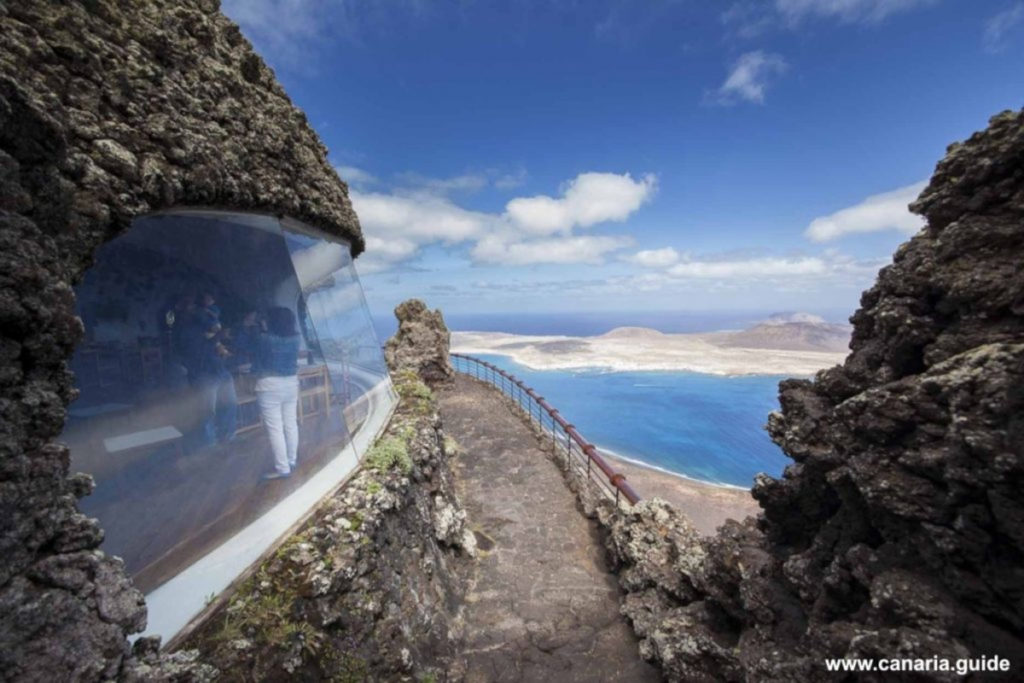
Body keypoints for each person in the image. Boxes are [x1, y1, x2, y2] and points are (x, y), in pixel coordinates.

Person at [254, 306, 301, 480]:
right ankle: (291, 460)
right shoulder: (296, 338)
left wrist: (262, 326)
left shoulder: (264, 338)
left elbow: (257, 350)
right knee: (290, 423)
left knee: (275, 428)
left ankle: (282, 469)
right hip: (291, 382)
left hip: (269, 384)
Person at [184, 308, 238, 447]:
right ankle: (209, 443)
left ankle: (228, 437)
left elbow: (219, 350)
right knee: (207, 412)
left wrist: (224, 351)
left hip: (222, 373)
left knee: (230, 405)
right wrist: (217, 337)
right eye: (214, 324)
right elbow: (200, 353)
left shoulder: (213, 337)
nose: (217, 326)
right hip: (205, 376)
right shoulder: (191, 335)